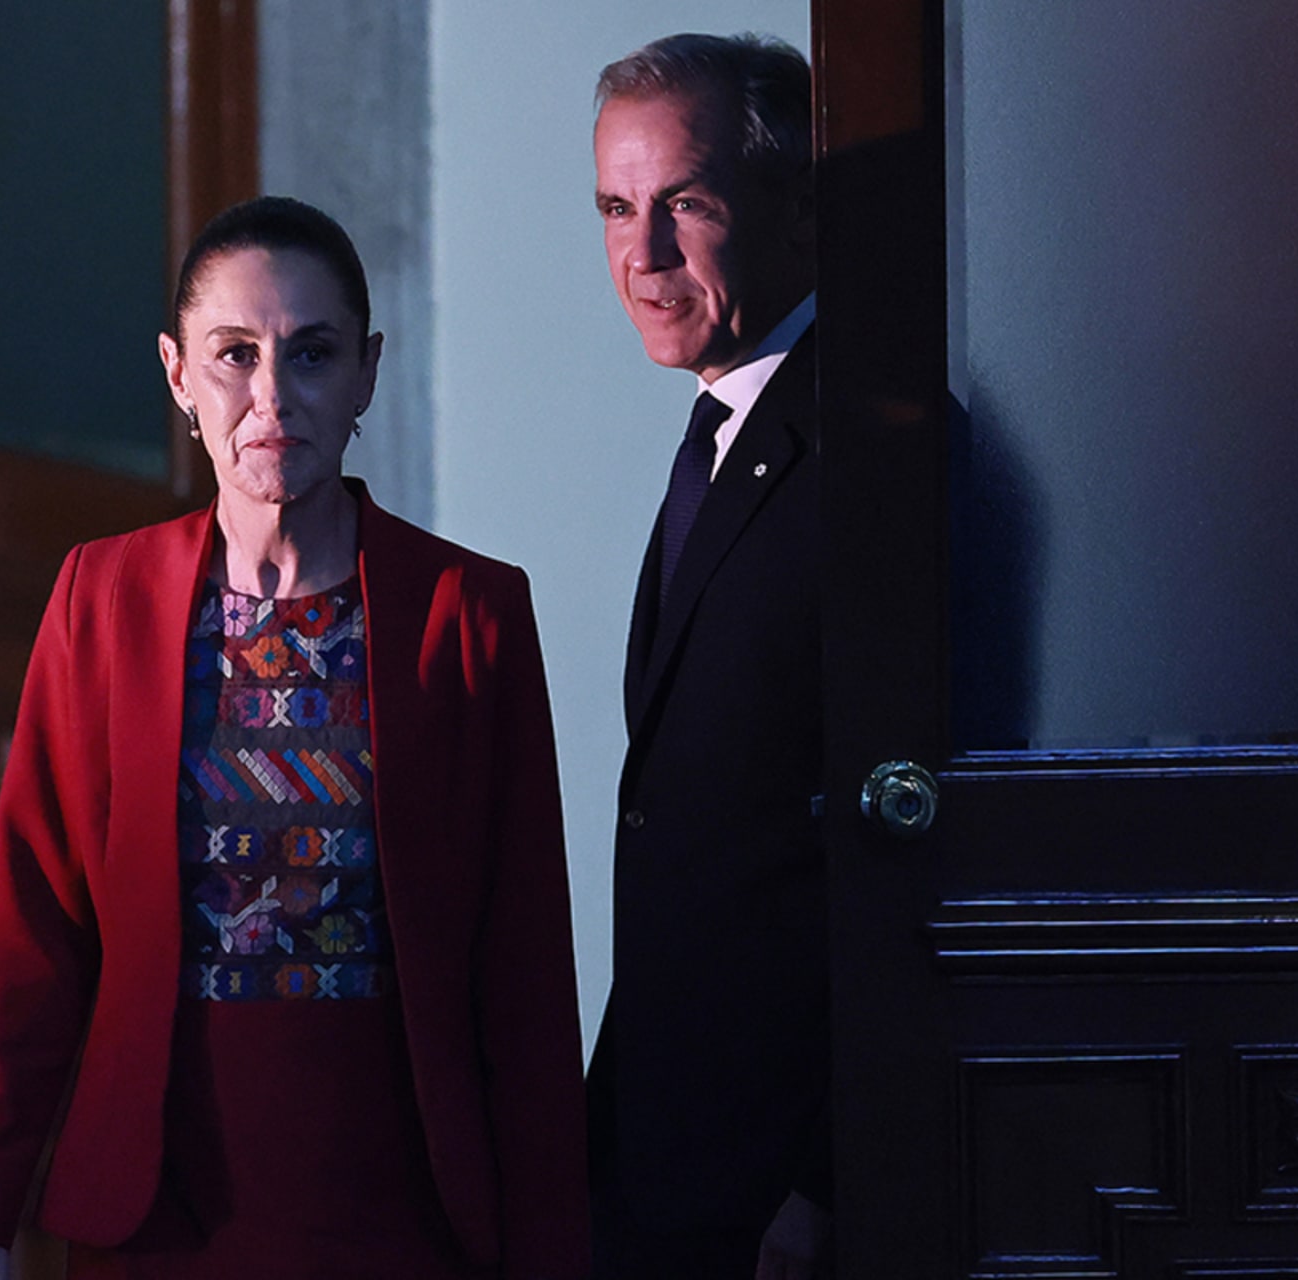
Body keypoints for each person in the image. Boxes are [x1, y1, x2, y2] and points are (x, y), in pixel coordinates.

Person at [0, 196, 589, 1280]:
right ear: (178, 374)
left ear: (367, 373)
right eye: (235, 354)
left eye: (312, 353)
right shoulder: (102, 598)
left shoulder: (467, 613)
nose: (272, 396)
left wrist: (553, 1250)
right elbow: (33, 937)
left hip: (399, 1215)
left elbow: (522, 975)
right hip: (153, 1214)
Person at [582, 33, 828, 1280]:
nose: (644, 254)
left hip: (777, 1186)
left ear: (792, 203)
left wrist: (830, 1178)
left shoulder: (869, 450)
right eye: (616, 209)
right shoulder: (723, 431)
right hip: (664, 1145)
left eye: (685, 202)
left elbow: (903, 844)